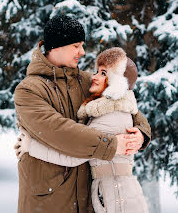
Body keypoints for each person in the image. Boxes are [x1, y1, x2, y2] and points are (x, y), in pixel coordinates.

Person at [14, 14, 151, 213]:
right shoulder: (28, 90)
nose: (82, 51)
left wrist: (141, 132)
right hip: (48, 202)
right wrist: (112, 145)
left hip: (88, 201)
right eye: (76, 46)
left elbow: (124, 103)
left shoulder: (88, 82)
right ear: (57, 46)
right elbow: (59, 132)